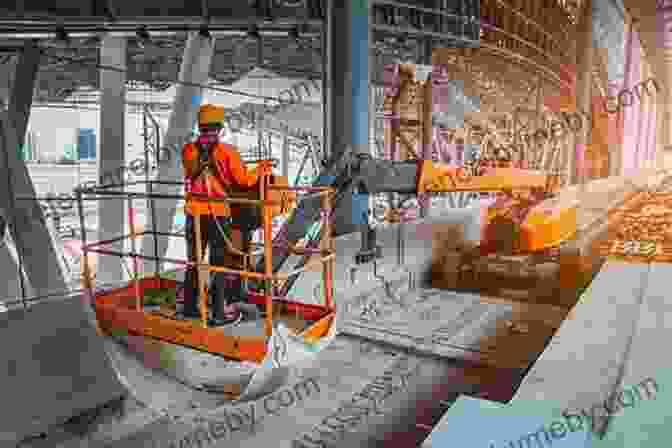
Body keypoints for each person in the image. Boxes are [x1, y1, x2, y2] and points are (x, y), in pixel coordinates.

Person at [182, 104, 261, 325]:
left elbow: (191, 173)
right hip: (217, 214)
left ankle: (190, 307)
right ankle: (217, 313)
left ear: (200, 126)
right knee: (218, 264)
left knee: (193, 261)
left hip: (193, 214)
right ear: (219, 127)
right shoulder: (227, 152)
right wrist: (261, 170)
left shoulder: (188, 150)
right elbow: (243, 180)